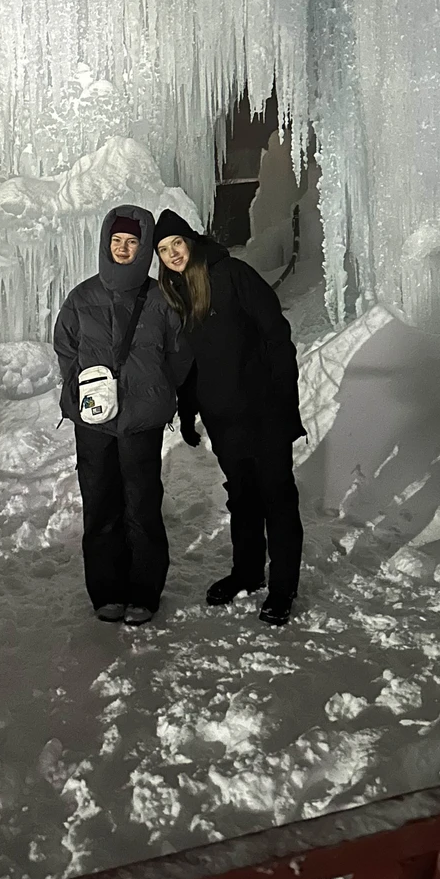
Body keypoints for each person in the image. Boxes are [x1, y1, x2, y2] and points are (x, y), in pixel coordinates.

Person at [153, 208, 304, 626]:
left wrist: (283, 399)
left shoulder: (234, 275)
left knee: (277, 497)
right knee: (242, 498)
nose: (172, 254)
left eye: (176, 244)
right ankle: (248, 572)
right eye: (163, 250)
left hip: (263, 410)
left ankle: (283, 587)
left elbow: (277, 335)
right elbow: (193, 362)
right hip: (224, 418)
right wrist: (188, 410)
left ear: (192, 241)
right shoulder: (179, 292)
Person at [53, 207, 189, 626]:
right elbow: (65, 348)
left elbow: (178, 353)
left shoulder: (161, 299)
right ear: (106, 243)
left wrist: (158, 394)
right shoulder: (82, 297)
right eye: (117, 241)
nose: (124, 248)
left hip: (141, 420)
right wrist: (85, 390)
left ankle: (144, 593)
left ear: (144, 247)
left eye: (132, 242)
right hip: (93, 421)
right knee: (99, 505)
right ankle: (107, 592)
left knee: (142, 505)